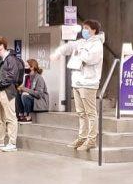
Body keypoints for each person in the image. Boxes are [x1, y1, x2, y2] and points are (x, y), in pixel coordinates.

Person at [51, 19, 103, 151]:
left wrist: (80, 52)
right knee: (81, 113)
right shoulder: (82, 42)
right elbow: (68, 47)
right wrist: (57, 53)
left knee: (90, 113)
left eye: (87, 28)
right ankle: (82, 137)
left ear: (94, 30)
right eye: (83, 28)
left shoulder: (97, 44)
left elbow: (90, 58)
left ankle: (91, 140)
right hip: (77, 82)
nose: (84, 30)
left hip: (89, 83)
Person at [0, 36, 22, 152]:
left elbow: (12, 77)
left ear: (2, 46)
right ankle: (0, 141)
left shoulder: (11, 59)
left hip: (7, 91)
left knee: (10, 117)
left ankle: (12, 143)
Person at [16, 58, 48, 123]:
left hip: (39, 102)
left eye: (26, 66)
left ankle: (28, 116)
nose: (24, 67)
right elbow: (26, 90)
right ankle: (21, 115)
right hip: (31, 98)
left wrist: (24, 89)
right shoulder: (27, 77)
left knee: (25, 95)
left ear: (32, 67)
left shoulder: (39, 78)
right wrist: (20, 90)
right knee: (18, 94)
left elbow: (39, 94)